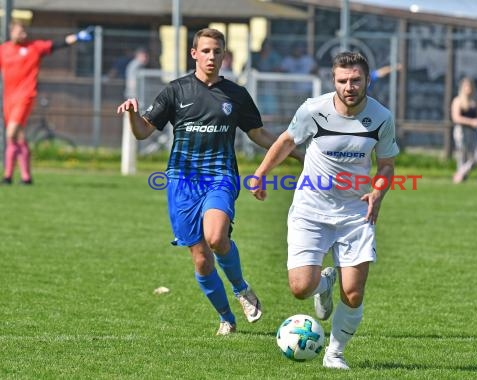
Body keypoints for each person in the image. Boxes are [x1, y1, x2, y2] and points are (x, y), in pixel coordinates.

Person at [116, 28, 300, 336]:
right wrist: (133, 114)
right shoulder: (176, 91)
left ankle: (241, 289)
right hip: (182, 182)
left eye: (217, 51)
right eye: (206, 51)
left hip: (220, 176)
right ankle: (226, 317)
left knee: (216, 238)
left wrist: (297, 154)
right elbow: (142, 132)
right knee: (201, 259)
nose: (212, 56)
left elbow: (258, 134)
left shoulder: (236, 94)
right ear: (194, 54)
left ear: (224, 55)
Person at [250, 52, 399, 370]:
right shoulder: (313, 110)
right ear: (334, 81)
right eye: (343, 80)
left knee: (354, 293)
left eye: (356, 79)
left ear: (367, 80)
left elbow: (386, 164)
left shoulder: (381, 117)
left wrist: (378, 191)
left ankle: (335, 353)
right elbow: (288, 141)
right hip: (311, 208)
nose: (349, 86)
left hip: (355, 212)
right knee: (300, 287)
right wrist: (261, 173)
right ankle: (323, 285)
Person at [0, 20, 92, 185]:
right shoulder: (4, 50)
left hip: (25, 96)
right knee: (18, 137)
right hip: (9, 99)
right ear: (11, 32)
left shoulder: (34, 47)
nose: (24, 35)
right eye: (20, 32)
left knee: (10, 133)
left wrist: (78, 36)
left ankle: (8, 176)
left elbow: (59, 44)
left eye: (25, 32)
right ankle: (23, 177)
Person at [450, 77, 477, 184]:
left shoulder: (475, 102)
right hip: (462, 131)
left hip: (473, 132)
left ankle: (460, 174)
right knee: (462, 156)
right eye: (466, 86)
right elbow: (456, 118)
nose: (469, 89)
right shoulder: (458, 101)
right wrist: (471, 122)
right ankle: (461, 178)